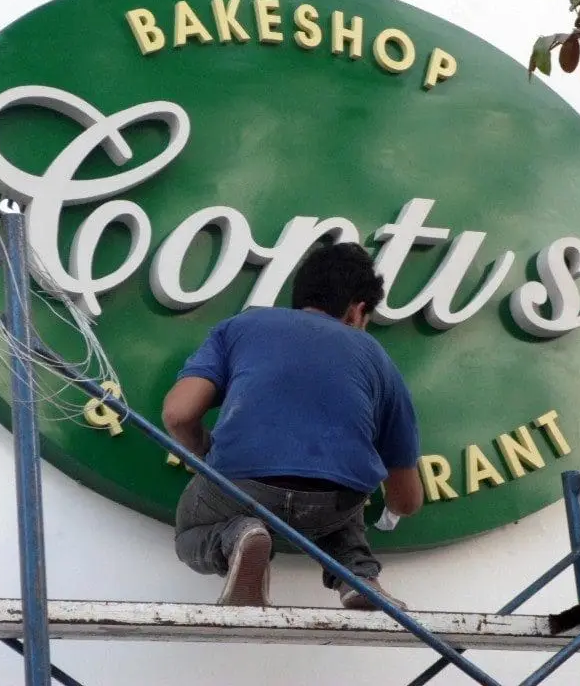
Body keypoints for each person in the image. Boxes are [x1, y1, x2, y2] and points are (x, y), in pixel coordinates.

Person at [161, 242, 423, 609]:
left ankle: (237, 539)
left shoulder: (241, 326)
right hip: (331, 505)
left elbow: (178, 413)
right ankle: (359, 576)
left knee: (190, 531)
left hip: (244, 488)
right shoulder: (378, 359)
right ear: (358, 310)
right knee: (349, 501)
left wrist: (204, 451)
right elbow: (407, 501)